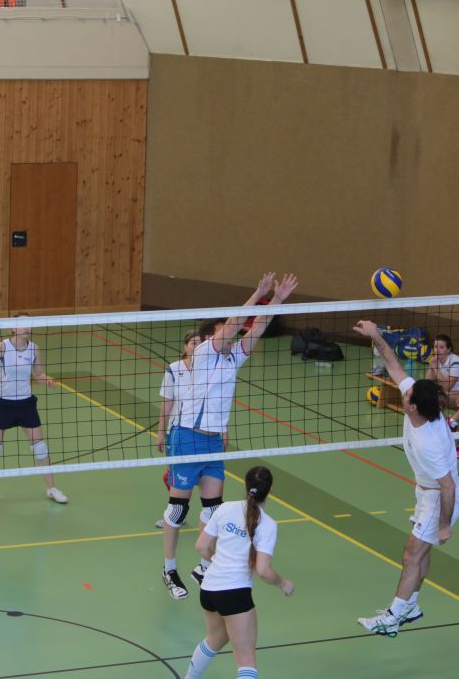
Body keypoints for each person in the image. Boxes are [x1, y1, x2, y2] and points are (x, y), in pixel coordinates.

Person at [161, 272, 297, 601]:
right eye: (223, 331)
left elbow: (256, 327)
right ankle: (169, 569)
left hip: (213, 443)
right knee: (178, 509)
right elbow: (237, 323)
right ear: (212, 336)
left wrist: (277, 300)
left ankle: (203, 567)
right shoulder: (204, 352)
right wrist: (258, 293)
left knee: (212, 510)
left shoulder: (233, 358)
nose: (231, 334)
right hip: (187, 438)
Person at [352, 319, 459, 637]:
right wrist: (376, 335)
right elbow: (393, 364)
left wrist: (445, 525)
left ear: (412, 407)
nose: (403, 390)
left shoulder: (429, 443)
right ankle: (411, 606)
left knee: (411, 553)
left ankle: (393, 616)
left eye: (407, 394)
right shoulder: (420, 407)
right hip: (427, 492)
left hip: (440, 496)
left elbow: (448, 486)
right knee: (421, 552)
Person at [183, 465, 293, 679]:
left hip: (209, 590)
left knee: (215, 639)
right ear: (270, 490)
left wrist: (219, 561)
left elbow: (201, 547)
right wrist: (283, 583)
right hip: (234, 594)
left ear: (245, 485)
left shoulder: (225, 509)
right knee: (246, 660)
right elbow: (263, 571)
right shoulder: (267, 525)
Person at [0, 315, 67, 509]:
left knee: (40, 448)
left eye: (29, 324)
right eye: (22, 324)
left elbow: (38, 373)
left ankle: (52, 489)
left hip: (26, 404)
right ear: (13, 329)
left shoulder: (34, 348)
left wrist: (47, 380)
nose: (27, 327)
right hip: (1, 404)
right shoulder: (2, 347)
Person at [154, 331, 201, 530]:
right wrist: (160, 432)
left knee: (202, 477)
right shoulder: (173, 369)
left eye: (200, 343)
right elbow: (167, 403)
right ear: (185, 346)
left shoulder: (209, 369)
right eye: (193, 343)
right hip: (178, 433)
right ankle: (177, 514)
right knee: (173, 477)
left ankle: (207, 515)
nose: (196, 347)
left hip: (203, 433)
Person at [425, 334, 459, 407]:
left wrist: (435, 368)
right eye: (436, 347)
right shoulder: (437, 360)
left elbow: (447, 386)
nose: (437, 350)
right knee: (425, 392)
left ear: (448, 349)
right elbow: (427, 382)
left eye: (441, 347)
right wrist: (431, 366)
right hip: (449, 392)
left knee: (437, 398)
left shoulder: (456, 363)